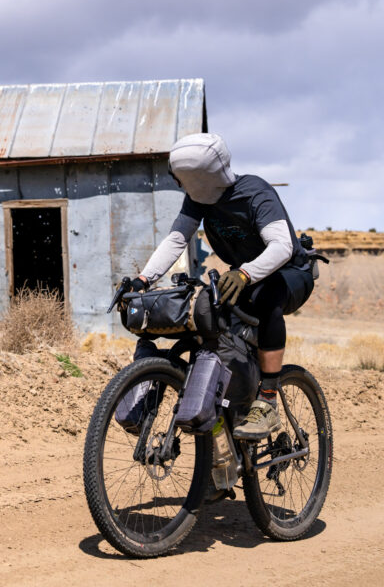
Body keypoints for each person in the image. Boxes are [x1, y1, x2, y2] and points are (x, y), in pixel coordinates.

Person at [130, 133, 314, 440]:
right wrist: (144, 279)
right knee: (204, 314)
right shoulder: (198, 199)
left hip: (290, 274)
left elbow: (282, 247)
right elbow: (177, 239)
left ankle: (268, 400)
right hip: (246, 277)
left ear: (195, 177)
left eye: (177, 176)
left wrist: (245, 274)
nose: (175, 181)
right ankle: (229, 406)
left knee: (266, 297)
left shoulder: (255, 193)